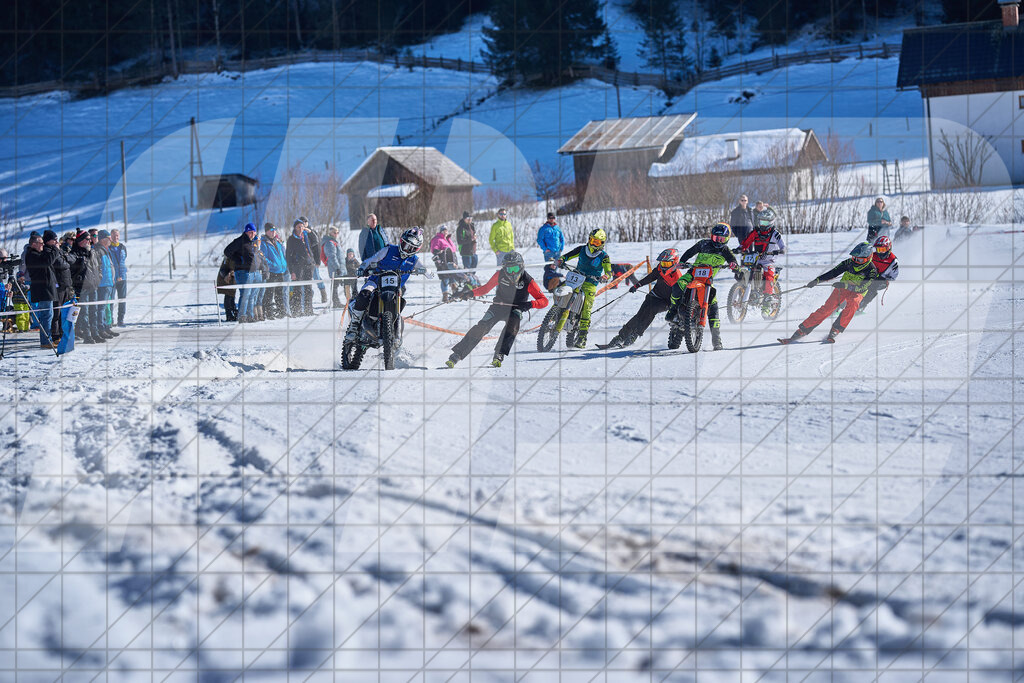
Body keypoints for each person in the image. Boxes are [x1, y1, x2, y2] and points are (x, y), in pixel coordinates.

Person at [445, 251, 549, 368]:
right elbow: (485, 289)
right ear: (504, 269)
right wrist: (470, 293)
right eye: (509, 269)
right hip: (497, 307)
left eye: (515, 268)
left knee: (513, 326)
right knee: (482, 327)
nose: (512, 272)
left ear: (521, 267)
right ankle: (457, 354)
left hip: (516, 309)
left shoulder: (528, 280)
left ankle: (499, 354)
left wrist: (530, 304)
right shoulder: (500, 275)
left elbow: (544, 300)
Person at [778, 242, 885, 345]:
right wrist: (817, 280)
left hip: (858, 291)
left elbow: (863, 286)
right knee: (828, 308)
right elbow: (833, 272)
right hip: (843, 288)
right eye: (854, 258)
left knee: (852, 304)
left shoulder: (872, 270)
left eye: (859, 259)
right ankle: (804, 329)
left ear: (868, 258)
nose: (856, 261)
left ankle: (836, 328)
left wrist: (846, 285)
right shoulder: (849, 263)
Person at [667, 223, 739, 351]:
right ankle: (673, 310)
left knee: (714, 306)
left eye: (721, 239)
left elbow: (733, 261)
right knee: (678, 285)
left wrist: (734, 266)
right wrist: (683, 262)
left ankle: (717, 340)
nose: (718, 241)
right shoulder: (703, 244)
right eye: (716, 238)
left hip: (707, 281)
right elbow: (689, 252)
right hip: (692, 275)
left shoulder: (726, 251)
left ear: (727, 239)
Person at [344, 228, 426, 341]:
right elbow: (371, 259)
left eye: (411, 248)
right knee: (364, 294)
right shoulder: (389, 249)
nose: (407, 250)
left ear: (416, 249)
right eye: (406, 245)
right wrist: (362, 268)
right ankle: (354, 325)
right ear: (401, 241)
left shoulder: (414, 259)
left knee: (399, 303)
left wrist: (426, 272)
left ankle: (396, 337)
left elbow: (426, 270)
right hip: (376, 280)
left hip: (395, 288)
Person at [602, 248, 682, 349]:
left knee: (650, 311)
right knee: (639, 315)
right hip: (654, 295)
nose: (663, 266)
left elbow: (680, 295)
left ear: (675, 263)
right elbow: (650, 277)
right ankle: (620, 337)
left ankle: (634, 336)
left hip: (666, 301)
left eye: (667, 264)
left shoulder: (677, 277)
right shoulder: (660, 269)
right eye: (662, 263)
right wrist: (637, 285)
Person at [556, 228, 612, 349]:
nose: (593, 244)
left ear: (602, 243)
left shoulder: (604, 256)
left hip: (590, 283)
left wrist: (605, 276)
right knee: (561, 291)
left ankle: (582, 338)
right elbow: (567, 256)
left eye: (596, 242)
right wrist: (561, 260)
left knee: (586, 309)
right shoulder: (582, 249)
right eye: (592, 240)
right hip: (576, 278)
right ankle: (555, 314)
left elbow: (609, 271)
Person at [737, 206, 786, 313]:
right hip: (756, 259)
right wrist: (740, 248)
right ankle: (741, 291)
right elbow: (746, 242)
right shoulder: (756, 232)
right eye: (761, 222)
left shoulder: (775, 234)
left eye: (764, 223)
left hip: (769, 261)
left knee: (768, 276)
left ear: (771, 222)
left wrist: (779, 251)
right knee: (743, 271)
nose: (762, 225)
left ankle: (767, 302)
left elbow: (783, 247)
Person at [22, 233, 58, 349]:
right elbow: (48, 261)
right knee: (46, 315)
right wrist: (54, 250)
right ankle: (46, 341)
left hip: (46, 288)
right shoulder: (32, 255)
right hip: (43, 290)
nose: (43, 244)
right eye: (41, 243)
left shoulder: (37, 254)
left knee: (48, 315)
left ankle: (47, 339)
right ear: (34, 244)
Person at [68, 231, 102, 342]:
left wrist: (99, 277)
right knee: (85, 312)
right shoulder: (74, 254)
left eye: (90, 239)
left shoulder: (92, 252)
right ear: (80, 241)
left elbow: (98, 266)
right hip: (82, 287)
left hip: (93, 286)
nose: (89, 241)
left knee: (94, 311)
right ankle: (87, 335)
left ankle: (95, 333)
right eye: (87, 239)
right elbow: (72, 268)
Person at [224, 223, 260, 322]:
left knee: (252, 295)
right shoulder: (240, 241)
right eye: (249, 232)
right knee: (245, 295)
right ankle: (242, 316)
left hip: (254, 272)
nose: (252, 234)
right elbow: (227, 251)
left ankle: (250, 315)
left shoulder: (255, 241)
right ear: (246, 232)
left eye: (253, 232)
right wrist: (238, 259)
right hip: (243, 272)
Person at [44, 230, 73, 345]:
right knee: (57, 312)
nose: (57, 241)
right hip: (57, 285)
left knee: (64, 311)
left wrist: (65, 260)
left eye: (57, 239)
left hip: (65, 284)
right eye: (54, 239)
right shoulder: (48, 251)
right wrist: (65, 261)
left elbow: (69, 259)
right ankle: (55, 335)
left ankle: (62, 332)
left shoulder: (57, 250)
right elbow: (60, 264)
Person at [286, 219, 316, 316]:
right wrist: (292, 271)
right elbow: (288, 256)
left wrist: (310, 232)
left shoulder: (306, 236)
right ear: (295, 227)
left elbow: (316, 242)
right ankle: (296, 311)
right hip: (297, 266)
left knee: (308, 289)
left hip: (308, 265)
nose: (301, 229)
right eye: (299, 227)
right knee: (297, 289)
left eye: (302, 227)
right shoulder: (291, 239)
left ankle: (308, 310)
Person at [260, 223, 290, 318]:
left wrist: (284, 265)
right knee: (269, 293)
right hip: (271, 272)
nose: (273, 232)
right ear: (266, 231)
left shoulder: (278, 242)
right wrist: (273, 265)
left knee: (279, 293)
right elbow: (263, 258)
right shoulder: (264, 243)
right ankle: (268, 313)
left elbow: (282, 255)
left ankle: (281, 312)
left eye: (274, 230)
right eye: (271, 230)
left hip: (281, 271)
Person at [860, 236, 899, 307]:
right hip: (870, 276)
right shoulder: (872, 256)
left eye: (883, 249)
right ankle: (842, 303)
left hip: (883, 281)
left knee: (872, 286)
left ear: (888, 249)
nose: (880, 252)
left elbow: (893, 276)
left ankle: (862, 305)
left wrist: (883, 278)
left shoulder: (893, 260)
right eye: (878, 249)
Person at [94, 230, 119, 338]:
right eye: (109, 238)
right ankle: (101, 328)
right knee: (101, 308)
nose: (110, 240)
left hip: (109, 283)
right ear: (103, 239)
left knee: (106, 307)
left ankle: (106, 326)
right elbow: (97, 268)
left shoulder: (106, 250)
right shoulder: (98, 250)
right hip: (102, 284)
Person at [301, 217, 329, 304]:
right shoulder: (299, 233)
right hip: (303, 261)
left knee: (316, 277)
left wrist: (317, 261)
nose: (304, 223)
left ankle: (323, 293)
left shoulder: (312, 232)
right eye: (302, 222)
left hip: (313, 260)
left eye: (305, 221)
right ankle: (308, 296)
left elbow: (317, 247)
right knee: (304, 279)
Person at [430, 227, 460, 302]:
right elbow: (434, 249)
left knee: (453, 277)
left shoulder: (448, 239)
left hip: (452, 261)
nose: (446, 232)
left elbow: (453, 250)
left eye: (446, 230)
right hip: (443, 261)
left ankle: (455, 294)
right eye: (444, 230)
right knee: (445, 278)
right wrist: (441, 252)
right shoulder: (437, 239)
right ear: (441, 232)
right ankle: (445, 296)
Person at [109, 228, 128, 326]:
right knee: (111, 300)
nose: (115, 237)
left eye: (117, 235)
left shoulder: (122, 247)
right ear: (110, 236)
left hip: (122, 277)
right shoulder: (108, 248)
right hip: (112, 278)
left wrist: (121, 275)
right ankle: (110, 320)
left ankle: (121, 320)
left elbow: (123, 260)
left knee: (122, 299)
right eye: (113, 235)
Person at [323, 225, 344, 308]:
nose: (336, 234)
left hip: (337, 267)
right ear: (330, 233)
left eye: (337, 232)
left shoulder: (334, 241)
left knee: (336, 285)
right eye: (334, 232)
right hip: (334, 268)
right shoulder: (329, 242)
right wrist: (337, 267)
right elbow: (332, 256)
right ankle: (335, 302)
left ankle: (336, 301)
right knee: (335, 285)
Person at [455, 211, 478, 280]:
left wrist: (474, 237)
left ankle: (472, 282)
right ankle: (468, 283)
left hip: (473, 251)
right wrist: (471, 239)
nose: (469, 219)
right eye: (468, 218)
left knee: (473, 270)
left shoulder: (472, 226)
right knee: (467, 271)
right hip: (466, 252)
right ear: (464, 218)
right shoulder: (461, 228)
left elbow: (474, 234)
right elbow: (460, 241)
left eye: (471, 218)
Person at [216, 257, 237, 322]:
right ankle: (229, 315)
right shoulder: (230, 256)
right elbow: (229, 266)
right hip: (227, 278)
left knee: (231, 296)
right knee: (228, 295)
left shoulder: (230, 254)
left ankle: (233, 313)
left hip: (230, 277)